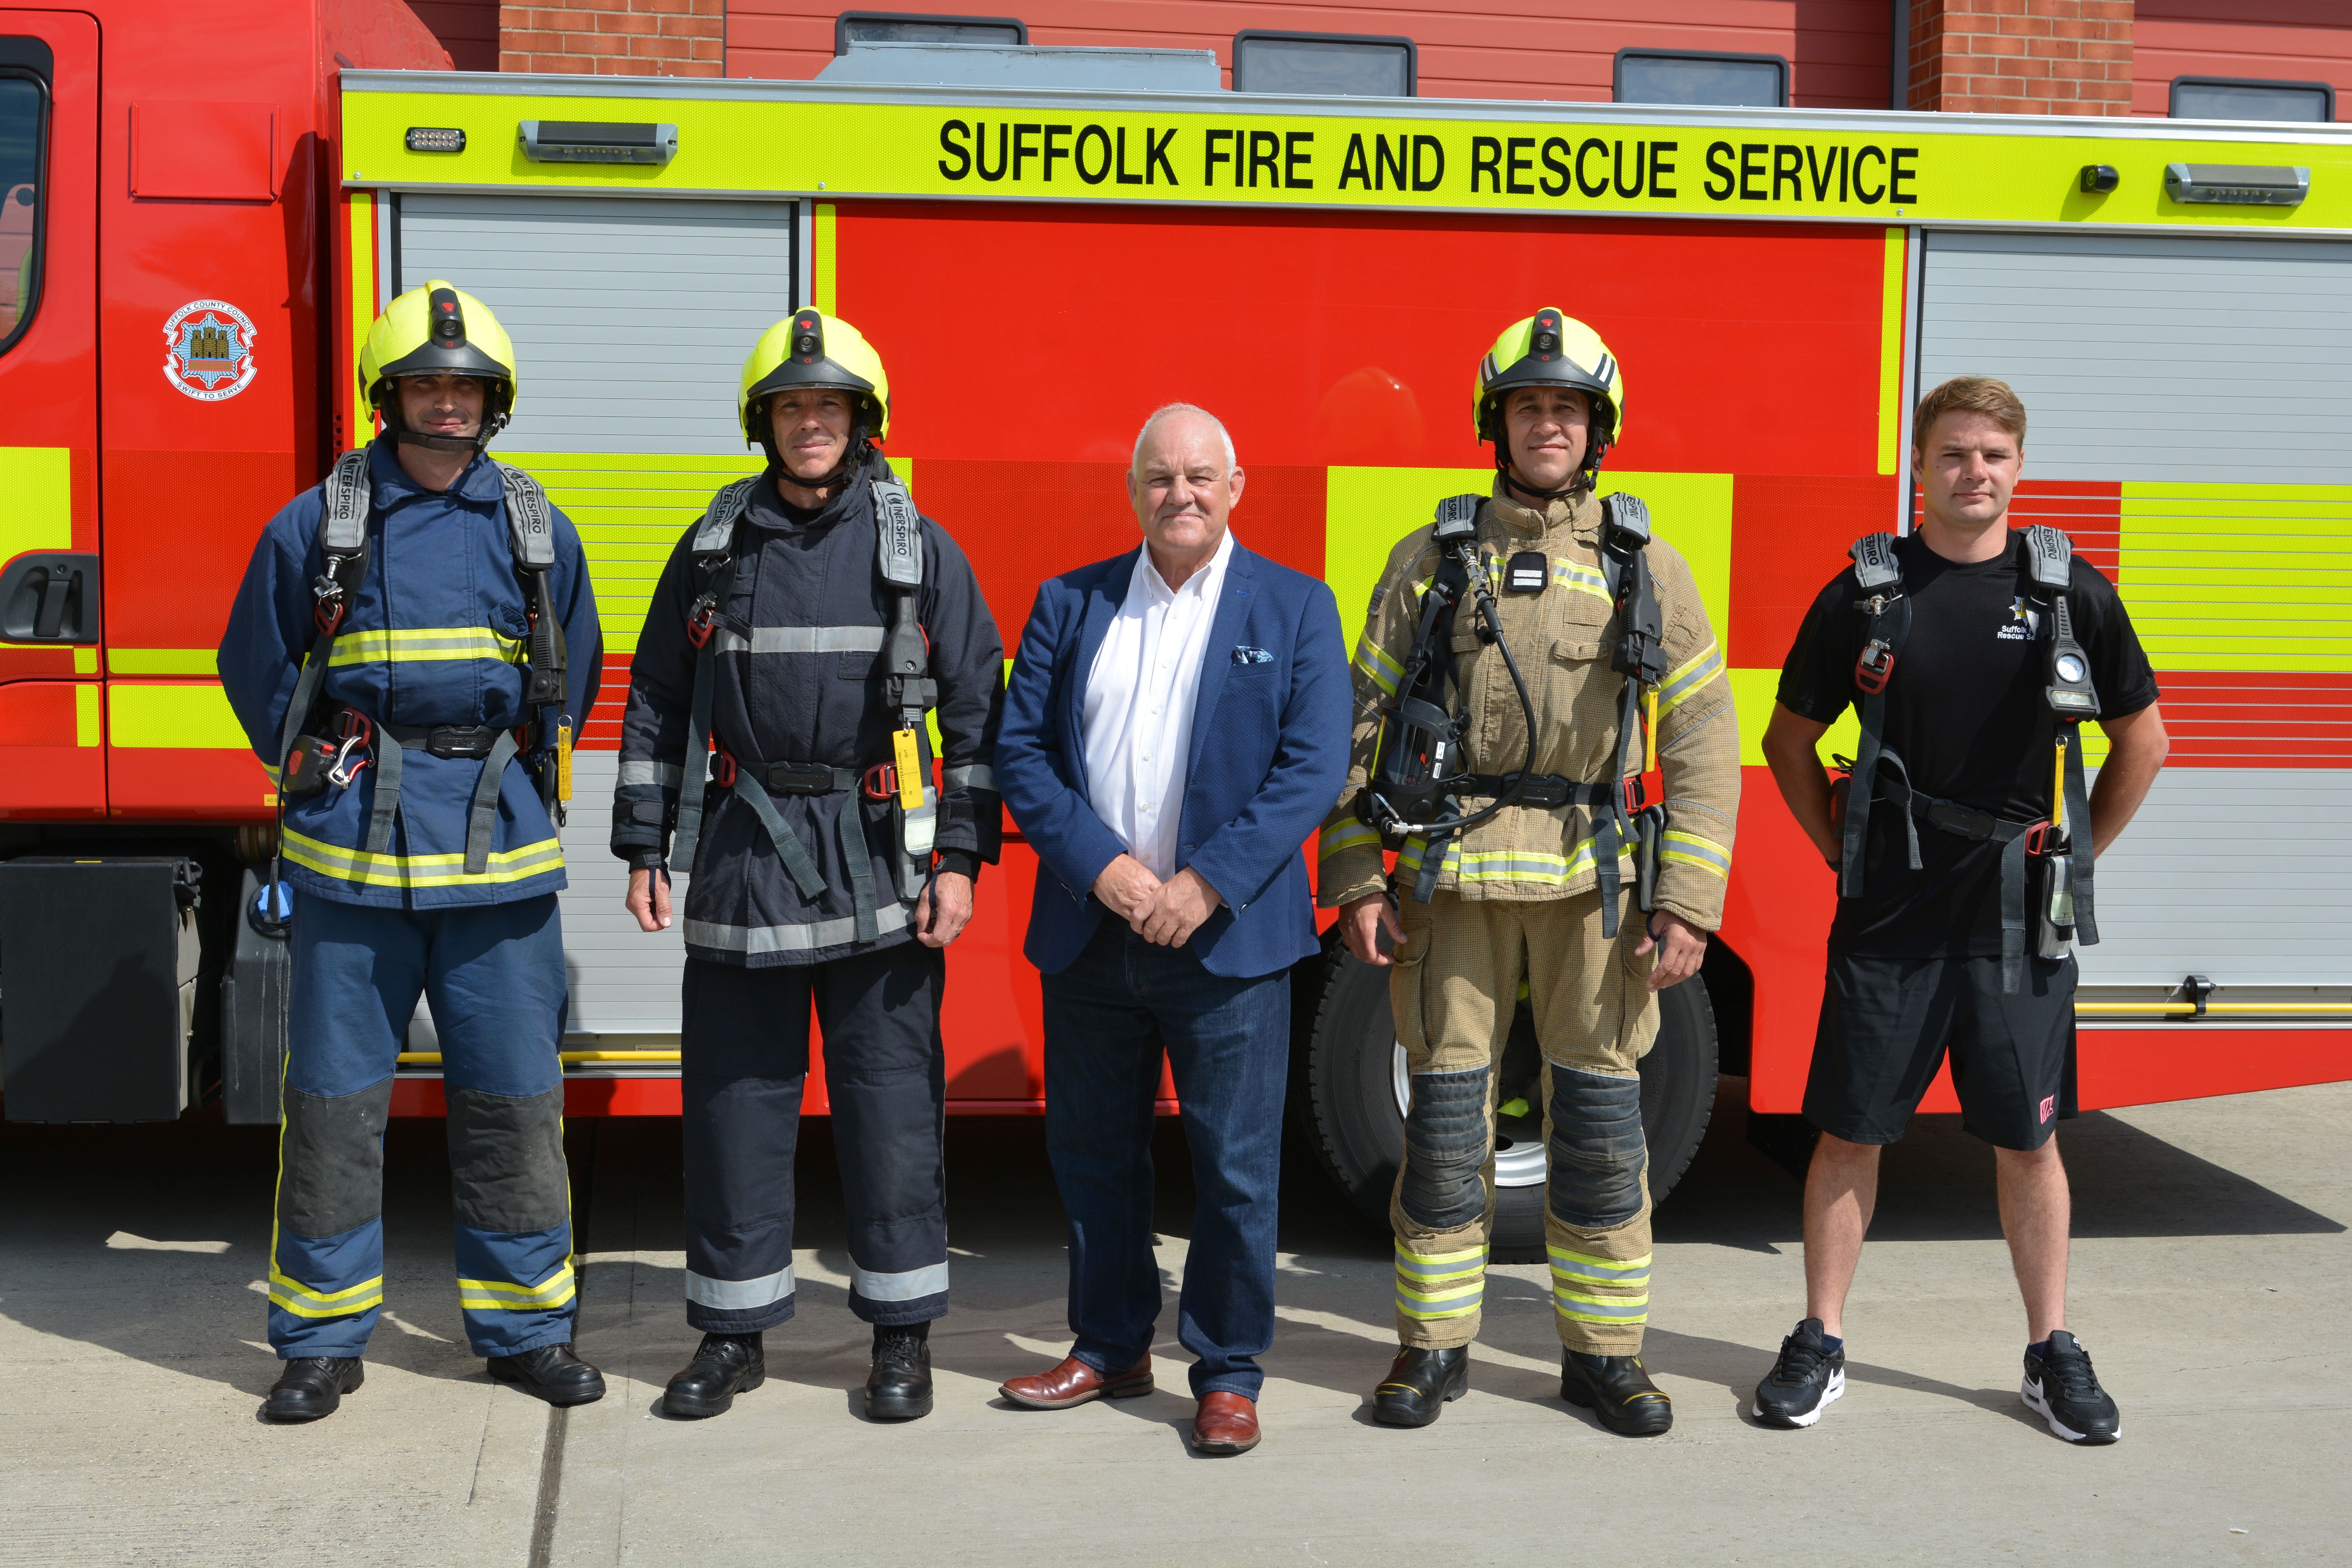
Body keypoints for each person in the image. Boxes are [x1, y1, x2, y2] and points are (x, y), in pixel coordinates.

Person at [1319, 309, 1738, 1436]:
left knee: (1602, 1127)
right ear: (1495, 421)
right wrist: (1359, 877)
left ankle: (1605, 1358)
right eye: (1527, 405)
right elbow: (1359, 726)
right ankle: (1431, 1350)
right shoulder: (1429, 560)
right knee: (1448, 1124)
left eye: (1566, 408)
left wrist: (1687, 902)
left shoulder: (1647, 566)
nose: (1546, 424)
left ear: (1596, 427)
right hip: (1449, 881)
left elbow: (1700, 741)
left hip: (1593, 883)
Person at [1751, 376, 2169, 1444]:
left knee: (2029, 1143)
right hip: (1890, 913)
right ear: (1922, 468)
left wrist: (2073, 858)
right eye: (1953, 455)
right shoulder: (1868, 594)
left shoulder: (2072, 592)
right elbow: (1788, 739)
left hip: (2021, 920)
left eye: (1992, 456)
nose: (1973, 473)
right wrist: (1841, 850)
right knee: (1850, 1132)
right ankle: (1820, 1340)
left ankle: (2051, 1353)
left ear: (2018, 468)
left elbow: (2145, 740)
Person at [218, 281, 605, 1423]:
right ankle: (321, 1339)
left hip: (498, 857)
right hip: (351, 855)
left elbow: (568, 674)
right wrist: (319, 769)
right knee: (335, 1101)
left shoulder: (537, 526)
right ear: (390, 397)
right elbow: (256, 666)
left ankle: (527, 1330)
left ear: (495, 403)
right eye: (428, 384)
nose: (449, 402)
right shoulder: (319, 522)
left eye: (468, 387)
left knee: (515, 1097)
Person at [610, 310, 1003, 1423]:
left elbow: (977, 715)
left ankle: (901, 1338)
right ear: (765, 423)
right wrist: (645, 842)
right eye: (792, 407)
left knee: (889, 1108)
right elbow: (655, 701)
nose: (811, 424)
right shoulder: (713, 545)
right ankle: (733, 1338)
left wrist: (963, 858)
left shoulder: (915, 546)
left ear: (860, 419)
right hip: (740, 855)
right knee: (737, 1107)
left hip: (885, 858)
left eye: (829, 406)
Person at [993, 403, 1349, 1457]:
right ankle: (1108, 1346)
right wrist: (1102, 868)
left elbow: (1311, 769)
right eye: (1160, 478)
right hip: (1093, 935)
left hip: (1228, 942)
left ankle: (1229, 1372)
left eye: (1201, 477)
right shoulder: (1071, 603)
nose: (1180, 495)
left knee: (1235, 1167)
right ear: (1134, 489)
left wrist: (1206, 884)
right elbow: (1024, 756)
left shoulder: (1296, 608)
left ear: (1237, 488)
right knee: (1094, 1156)